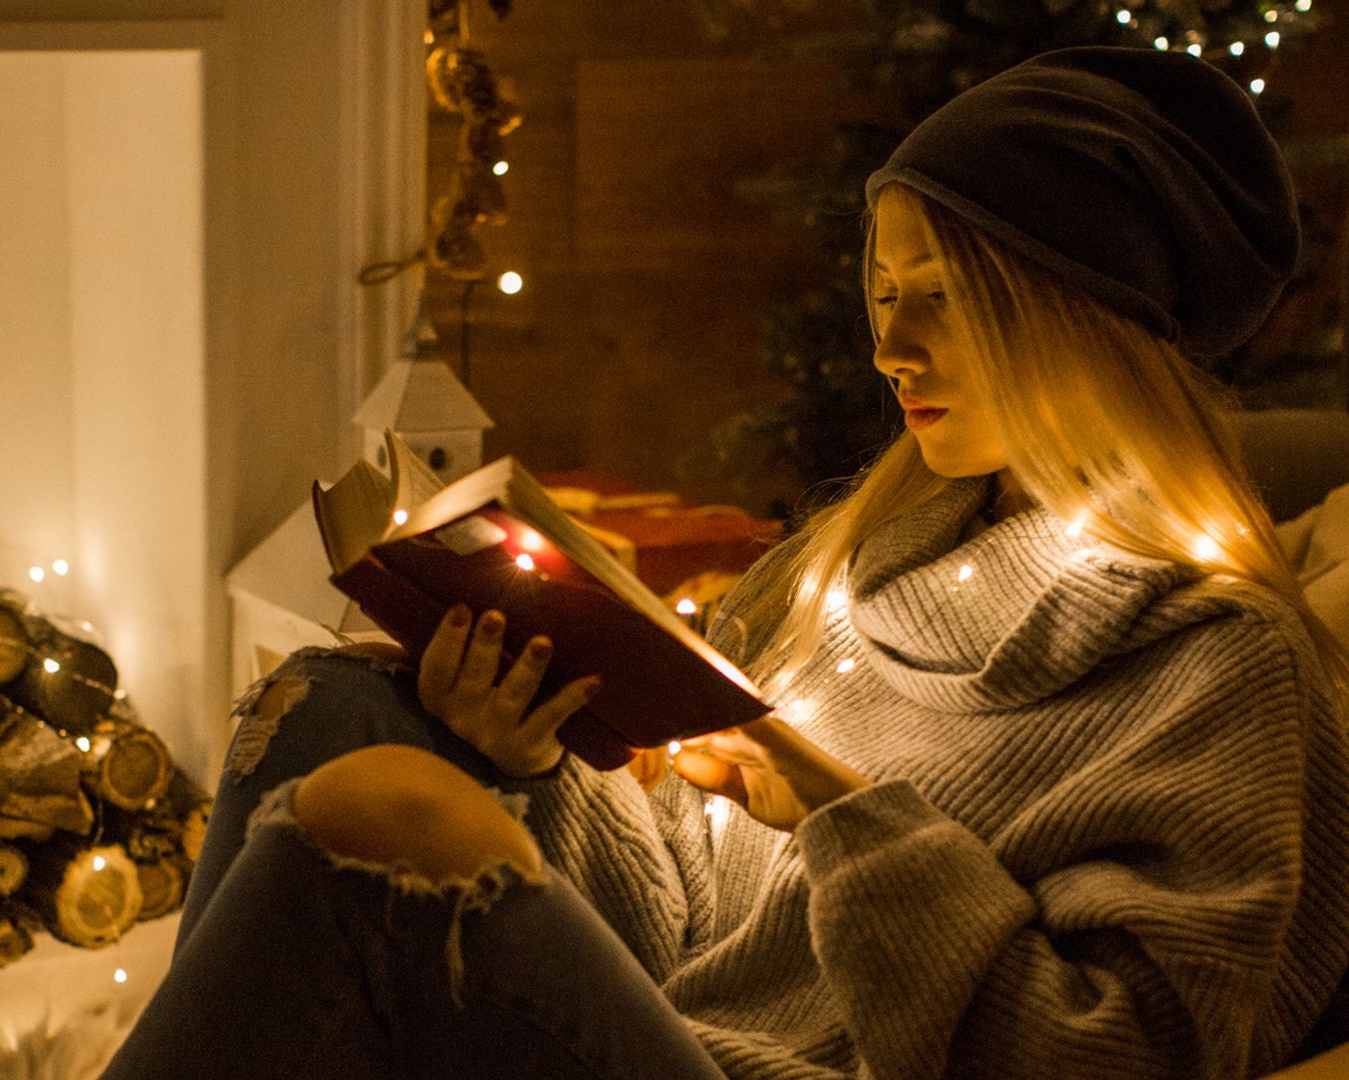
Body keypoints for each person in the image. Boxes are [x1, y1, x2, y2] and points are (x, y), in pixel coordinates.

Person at [101, 45, 1349, 1080]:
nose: (892, 350)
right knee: (342, 701)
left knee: (382, 813)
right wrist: (531, 762)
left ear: (1080, 315)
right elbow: (686, 924)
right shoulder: (856, 571)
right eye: (883, 295)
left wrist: (849, 814)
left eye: (945, 299)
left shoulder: (1217, 667)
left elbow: (1123, 1059)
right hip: (681, 1035)